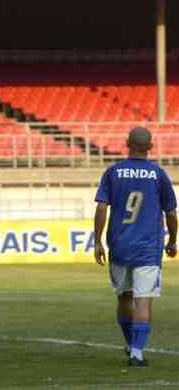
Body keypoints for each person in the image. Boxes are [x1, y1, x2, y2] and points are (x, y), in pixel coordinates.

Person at [94, 126, 177, 367]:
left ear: (126, 143)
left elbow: (101, 208)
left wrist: (97, 241)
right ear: (150, 148)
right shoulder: (158, 174)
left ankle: (131, 344)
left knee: (124, 297)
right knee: (144, 299)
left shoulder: (113, 172)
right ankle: (137, 352)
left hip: (119, 245)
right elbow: (170, 212)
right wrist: (172, 240)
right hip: (148, 248)